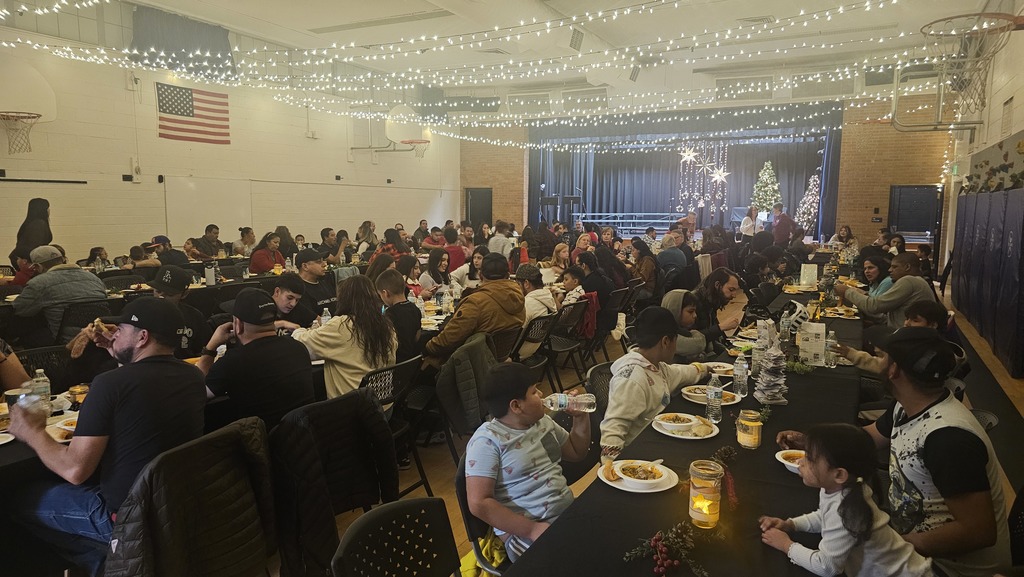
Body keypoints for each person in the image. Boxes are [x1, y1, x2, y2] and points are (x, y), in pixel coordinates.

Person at [778, 327, 1010, 576]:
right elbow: (868, 438)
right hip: (910, 547)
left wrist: (895, 543)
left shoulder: (948, 439)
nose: (879, 362)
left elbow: (979, 532)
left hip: (943, 568)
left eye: (882, 357)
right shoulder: (909, 404)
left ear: (893, 370)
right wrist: (813, 444)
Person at [9, 297, 206, 575]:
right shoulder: (193, 376)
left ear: (142, 337)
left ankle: (106, 561)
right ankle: (111, 562)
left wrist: (33, 431)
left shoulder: (109, 385)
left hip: (125, 518)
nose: (113, 335)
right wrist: (119, 353)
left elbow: (74, 470)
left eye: (121, 330)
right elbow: (142, 382)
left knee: (16, 500)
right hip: (171, 506)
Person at [759, 423, 934, 577]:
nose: (800, 461)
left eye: (810, 459)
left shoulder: (848, 511)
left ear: (839, 474)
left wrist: (786, 545)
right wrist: (791, 524)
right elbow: (824, 516)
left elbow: (826, 567)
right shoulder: (844, 490)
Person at [466, 363, 591, 562]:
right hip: (525, 530)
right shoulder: (488, 442)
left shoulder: (542, 423)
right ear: (516, 406)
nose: (541, 394)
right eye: (534, 391)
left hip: (564, 512)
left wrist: (581, 417)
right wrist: (531, 529)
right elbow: (478, 503)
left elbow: (577, 451)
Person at [599, 307, 707, 471]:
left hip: (659, 442)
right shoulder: (632, 379)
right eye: (675, 340)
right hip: (640, 456)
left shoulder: (657, 367)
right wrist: (612, 469)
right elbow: (613, 428)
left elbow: (681, 373)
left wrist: (705, 368)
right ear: (665, 341)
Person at [197, 288, 313, 428]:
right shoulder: (298, 348)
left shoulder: (233, 362)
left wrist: (210, 348)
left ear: (238, 325)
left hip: (262, 444)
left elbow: (197, 393)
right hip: (304, 438)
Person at [292, 275, 397, 398]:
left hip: (352, 408)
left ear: (343, 298)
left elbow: (301, 344)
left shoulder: (342, 325)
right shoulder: (386, 324)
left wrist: (299, 330)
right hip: (384, 403)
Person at [424, 253, 525, 360]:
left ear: (480, 274)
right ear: (508, 275)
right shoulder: (519, 296)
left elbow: (448, 339)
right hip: (499, 359)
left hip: (472, 364)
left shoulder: (476, 302)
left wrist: (427, 347)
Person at [13, 245, 108, 345]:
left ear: (38, 267)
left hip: (65, 339)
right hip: (99, 336)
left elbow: (20, 309)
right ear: (62, 259)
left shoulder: (39, 283)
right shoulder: (93, 278)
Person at [835, 300, 950, 373]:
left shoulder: (926, 354)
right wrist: (851, 353)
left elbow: (882, 367)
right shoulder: (915, 342)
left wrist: (853, 354)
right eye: (907, 318)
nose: (906, 323)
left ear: (933, 325)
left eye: (915, 320)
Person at [836, 253, 935, 328]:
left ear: (907, 267)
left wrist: (847, 291)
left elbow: (874, 306)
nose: (889, 270)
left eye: (894, 267)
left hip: (903, 336)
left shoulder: (909, 281)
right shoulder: (918, 281)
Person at [148, 265, 212, 358]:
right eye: (157, 291)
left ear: (184, 294)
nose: (160, 297)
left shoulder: (194, 316)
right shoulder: (141, 313)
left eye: (169, 294)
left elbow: (205, 348)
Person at [376, 269, 422, 363]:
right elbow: (417, 337)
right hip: (412, 362)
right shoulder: (415, 309)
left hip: (396, 362)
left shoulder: (389, 314)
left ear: (385, 293)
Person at [692, 267, 742, 351]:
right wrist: (721, 327)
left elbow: (712, 340)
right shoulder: (694, 302)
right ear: (717, 285)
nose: (734, 295)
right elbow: (692, 340)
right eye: (731, 289)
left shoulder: (711, 300)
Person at [660, 289, 710, 363]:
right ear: (675, 310)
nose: (695, 315)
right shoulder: (664, 334)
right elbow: (698, 344)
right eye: (690, 311)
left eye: (695, 311)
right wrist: (695, 333)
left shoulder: (684, 331)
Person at [9, 197, 52, 269]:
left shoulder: (30, 223)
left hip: (26, 261)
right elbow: (35, 249)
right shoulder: (38, 224)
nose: (49, 211)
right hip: (31, 263)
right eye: (47, 208)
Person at [294, 248, 337, 318]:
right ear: (305, 266)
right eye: (318, 262)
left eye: (323, 261)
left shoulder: (326, 282)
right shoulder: (298, 289)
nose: (324, 265)